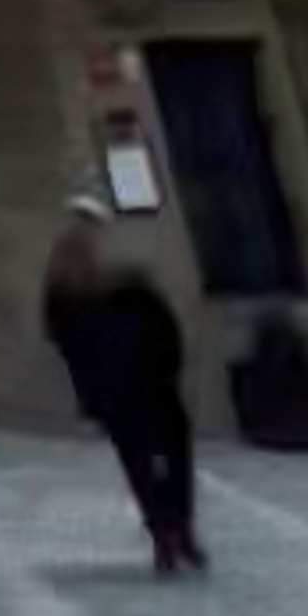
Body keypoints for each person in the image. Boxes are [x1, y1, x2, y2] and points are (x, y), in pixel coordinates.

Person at [43, 194, 205, 572]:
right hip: (140, 384)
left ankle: (168, 533)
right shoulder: (104, 287)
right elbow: (160, 329)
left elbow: (67, 343)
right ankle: (175, 531)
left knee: (146, 461)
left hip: (127, 387)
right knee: (163, 458)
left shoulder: (74, 292)